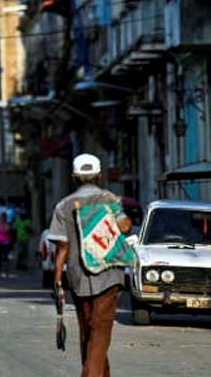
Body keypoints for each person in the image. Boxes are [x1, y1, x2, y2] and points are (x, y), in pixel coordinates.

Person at [49, 153, 132, 377]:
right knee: (100, 330)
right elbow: (125, 228)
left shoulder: (63, 206)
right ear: (99, 176)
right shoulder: (110, 199)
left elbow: (62, 247)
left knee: (88, 330)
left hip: (79, 277)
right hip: (109, 273)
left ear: (74, 177)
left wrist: (58, 281)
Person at [0, 212, 12, 278]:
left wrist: (3, 225)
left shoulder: (7, 224)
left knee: (5, 258)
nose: (1, 219)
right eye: (0, 218)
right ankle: (0, 273)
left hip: (6, 243)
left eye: (2, 218)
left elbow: (6, 231)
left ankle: (7, 273)